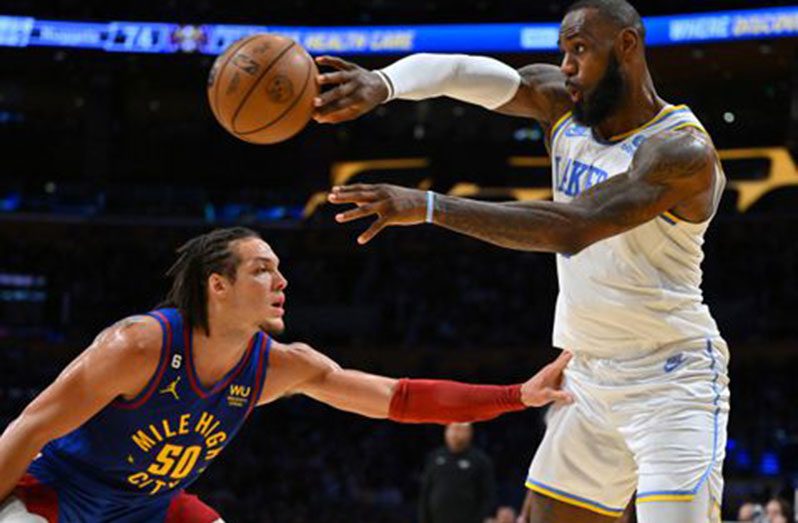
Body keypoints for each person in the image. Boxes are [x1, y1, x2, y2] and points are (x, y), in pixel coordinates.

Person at [314, 0, 730, 521]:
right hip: (588, 376)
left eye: (580, 49)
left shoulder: (679, 151)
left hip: (671, 379)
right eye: (563, 51)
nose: (567, 66)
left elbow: (574, 226)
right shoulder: (561, 104)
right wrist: (384, 82)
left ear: (627, 47)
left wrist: (427, 206)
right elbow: (463, 72)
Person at [0, 227, 573, 522]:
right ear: (216, 286)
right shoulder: (140, 345)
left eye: (279, 270)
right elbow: (28, 430)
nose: (282, 282)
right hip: (61, 497)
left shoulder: (278, 366)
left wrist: (515, 395)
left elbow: (395, 398)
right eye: (262, 270)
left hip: (152, 508)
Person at [418, 423, 495, 523]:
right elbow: (425, 493)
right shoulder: (434, 457)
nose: (455, 434)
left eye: (460, 429)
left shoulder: (480, 461)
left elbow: (488, 496)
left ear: (470, 433)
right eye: (453, 429)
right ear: (446, 432)